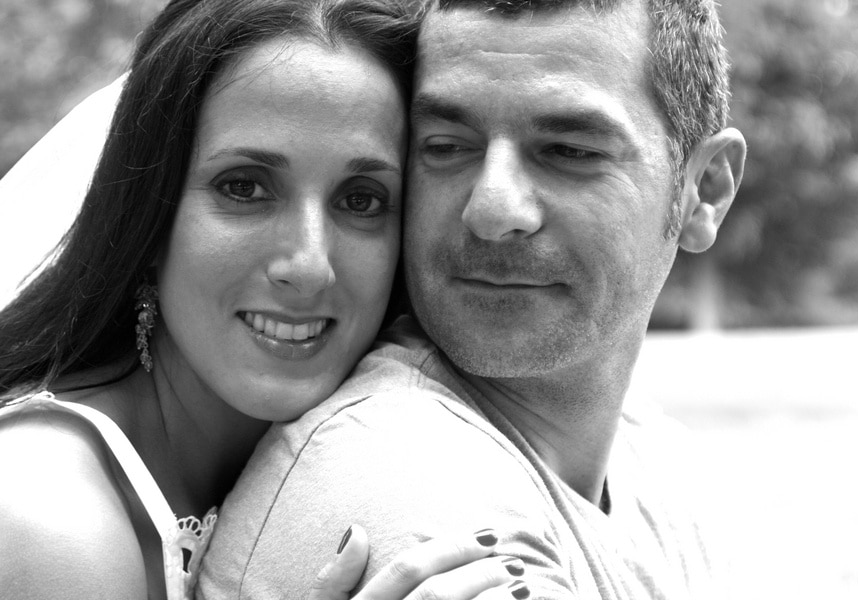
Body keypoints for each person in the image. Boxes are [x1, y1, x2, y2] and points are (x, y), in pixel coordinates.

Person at [194, 0, 748, 598]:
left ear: (705, 190)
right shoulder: (400, 481)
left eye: (570, 151)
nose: (492, 209)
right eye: (446, 145)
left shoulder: (661, 459)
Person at [0, 0, 529, 598]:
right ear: (147, 219)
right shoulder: (51, 518)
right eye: (245, 188)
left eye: (360, 200)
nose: (308, 266)